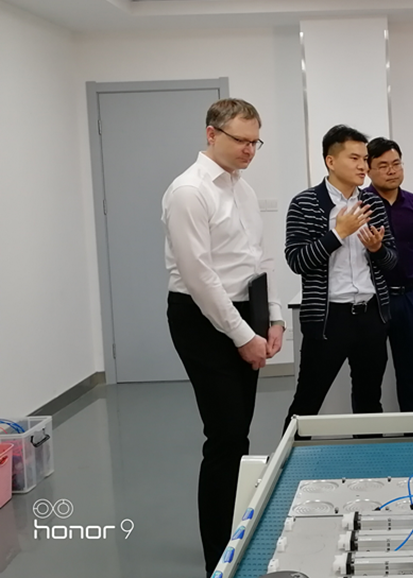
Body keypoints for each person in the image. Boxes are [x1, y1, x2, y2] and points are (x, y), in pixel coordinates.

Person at [162, 98, 285, 577]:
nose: (249, 150)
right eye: (241, 141)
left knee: (238, 433)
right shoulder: (189, 192)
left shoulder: (243, 189)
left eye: (256, 142)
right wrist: (241, 336)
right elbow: (200, 278)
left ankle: (234, 533)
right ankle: (218, 555)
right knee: (225, 436)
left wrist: (273, 318)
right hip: (201, 318)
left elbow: (259, 259)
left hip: (244, 310)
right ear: (212, 134)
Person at [283, 125, 397, 432]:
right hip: (329, 319)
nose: (363, 166)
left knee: (369, 401)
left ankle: (369, 460)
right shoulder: (305, 203)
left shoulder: (372, 204)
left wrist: (377, 249)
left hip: (371, 315)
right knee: (306, 403)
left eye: (365, 159)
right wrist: (338, 234)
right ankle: (286, 460)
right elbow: (297, 261)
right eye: (354, 158)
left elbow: (392, 261)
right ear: (330, 161)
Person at [364, 137, 413, 412]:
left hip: (409, 296)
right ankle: (370, 434)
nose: (391, 171)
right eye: (382, 166)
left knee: (412, 372)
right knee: (369, 375)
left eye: (396, 164)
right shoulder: (360, 205)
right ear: (368, 169)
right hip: (373, 300)